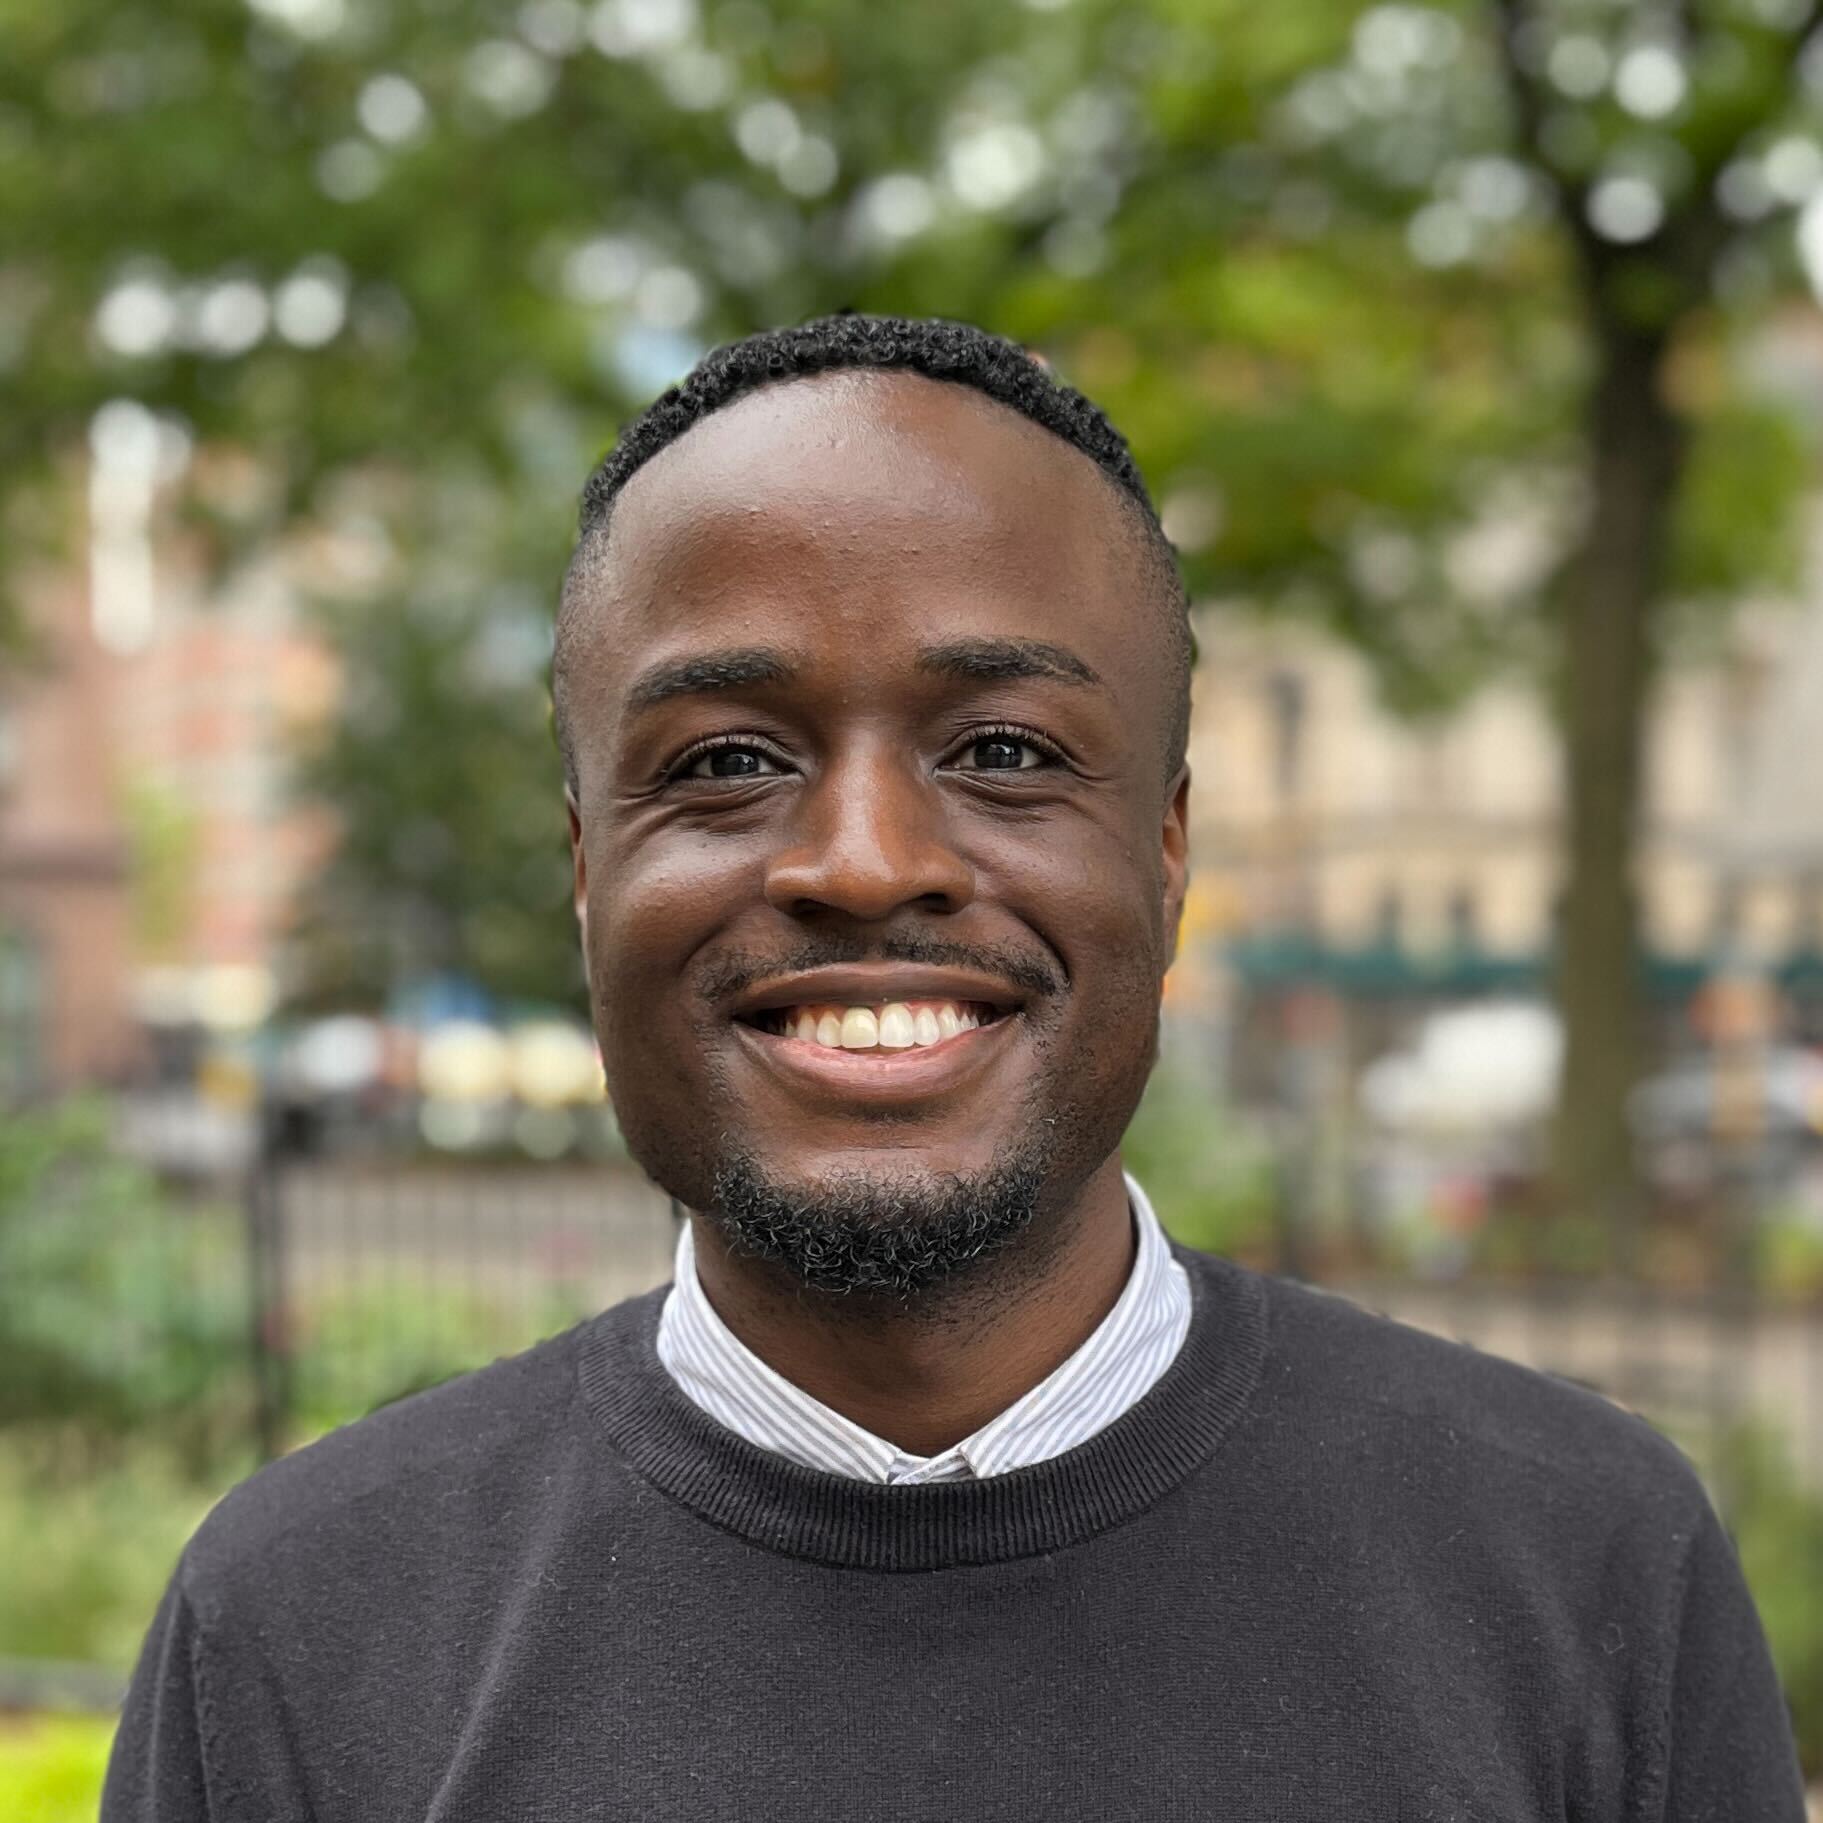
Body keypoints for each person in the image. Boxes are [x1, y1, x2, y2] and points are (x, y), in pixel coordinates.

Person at [103, 314, 1806, 1821]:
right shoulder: (297, 1632)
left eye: (1002, 751)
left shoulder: (1585, 1571)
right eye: (725, 759)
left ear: (1166, 848)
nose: (861, 860)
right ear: (584, 862)